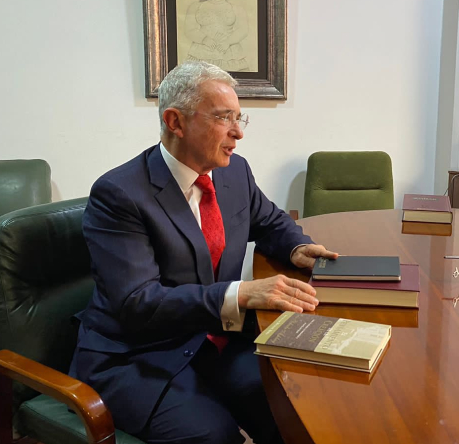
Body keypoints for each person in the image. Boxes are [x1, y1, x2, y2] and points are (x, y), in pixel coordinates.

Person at [69, 61, 337, 444]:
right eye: (223, 117)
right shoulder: (119, 194)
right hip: (138, 354)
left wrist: (296, 246)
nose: (238, 132)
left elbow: (268, 219)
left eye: (239, 116)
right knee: (214, 436)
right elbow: (136, 302)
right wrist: (242, 294)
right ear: (175, 122)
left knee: (293, 400)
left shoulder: (233, 171)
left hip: (211, 337)